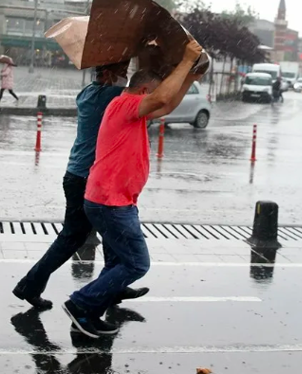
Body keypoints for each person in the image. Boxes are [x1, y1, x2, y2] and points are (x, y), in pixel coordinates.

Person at [62, 39, 203, 339]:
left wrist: (189, 77)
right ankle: (79, 304)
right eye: (153, 95)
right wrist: (185, 61)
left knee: (116, 262)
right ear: (144, 91)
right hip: (111, 203)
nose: (157, 101)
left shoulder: (129, 109)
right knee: (137, 263)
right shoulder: (125, 104)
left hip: (111, 200)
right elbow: (161, 97)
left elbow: (166, 103)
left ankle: (89, 314)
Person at [12, 61, 149, 310]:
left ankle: (114, 286)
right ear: (107, 74)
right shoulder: (112, 96)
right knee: (72, 237)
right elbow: (145, 100)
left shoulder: (86, 93)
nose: (125, 78)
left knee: (110, 231)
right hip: (87, 177)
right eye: (121, 73)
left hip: (76, 174)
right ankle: (30, 285)